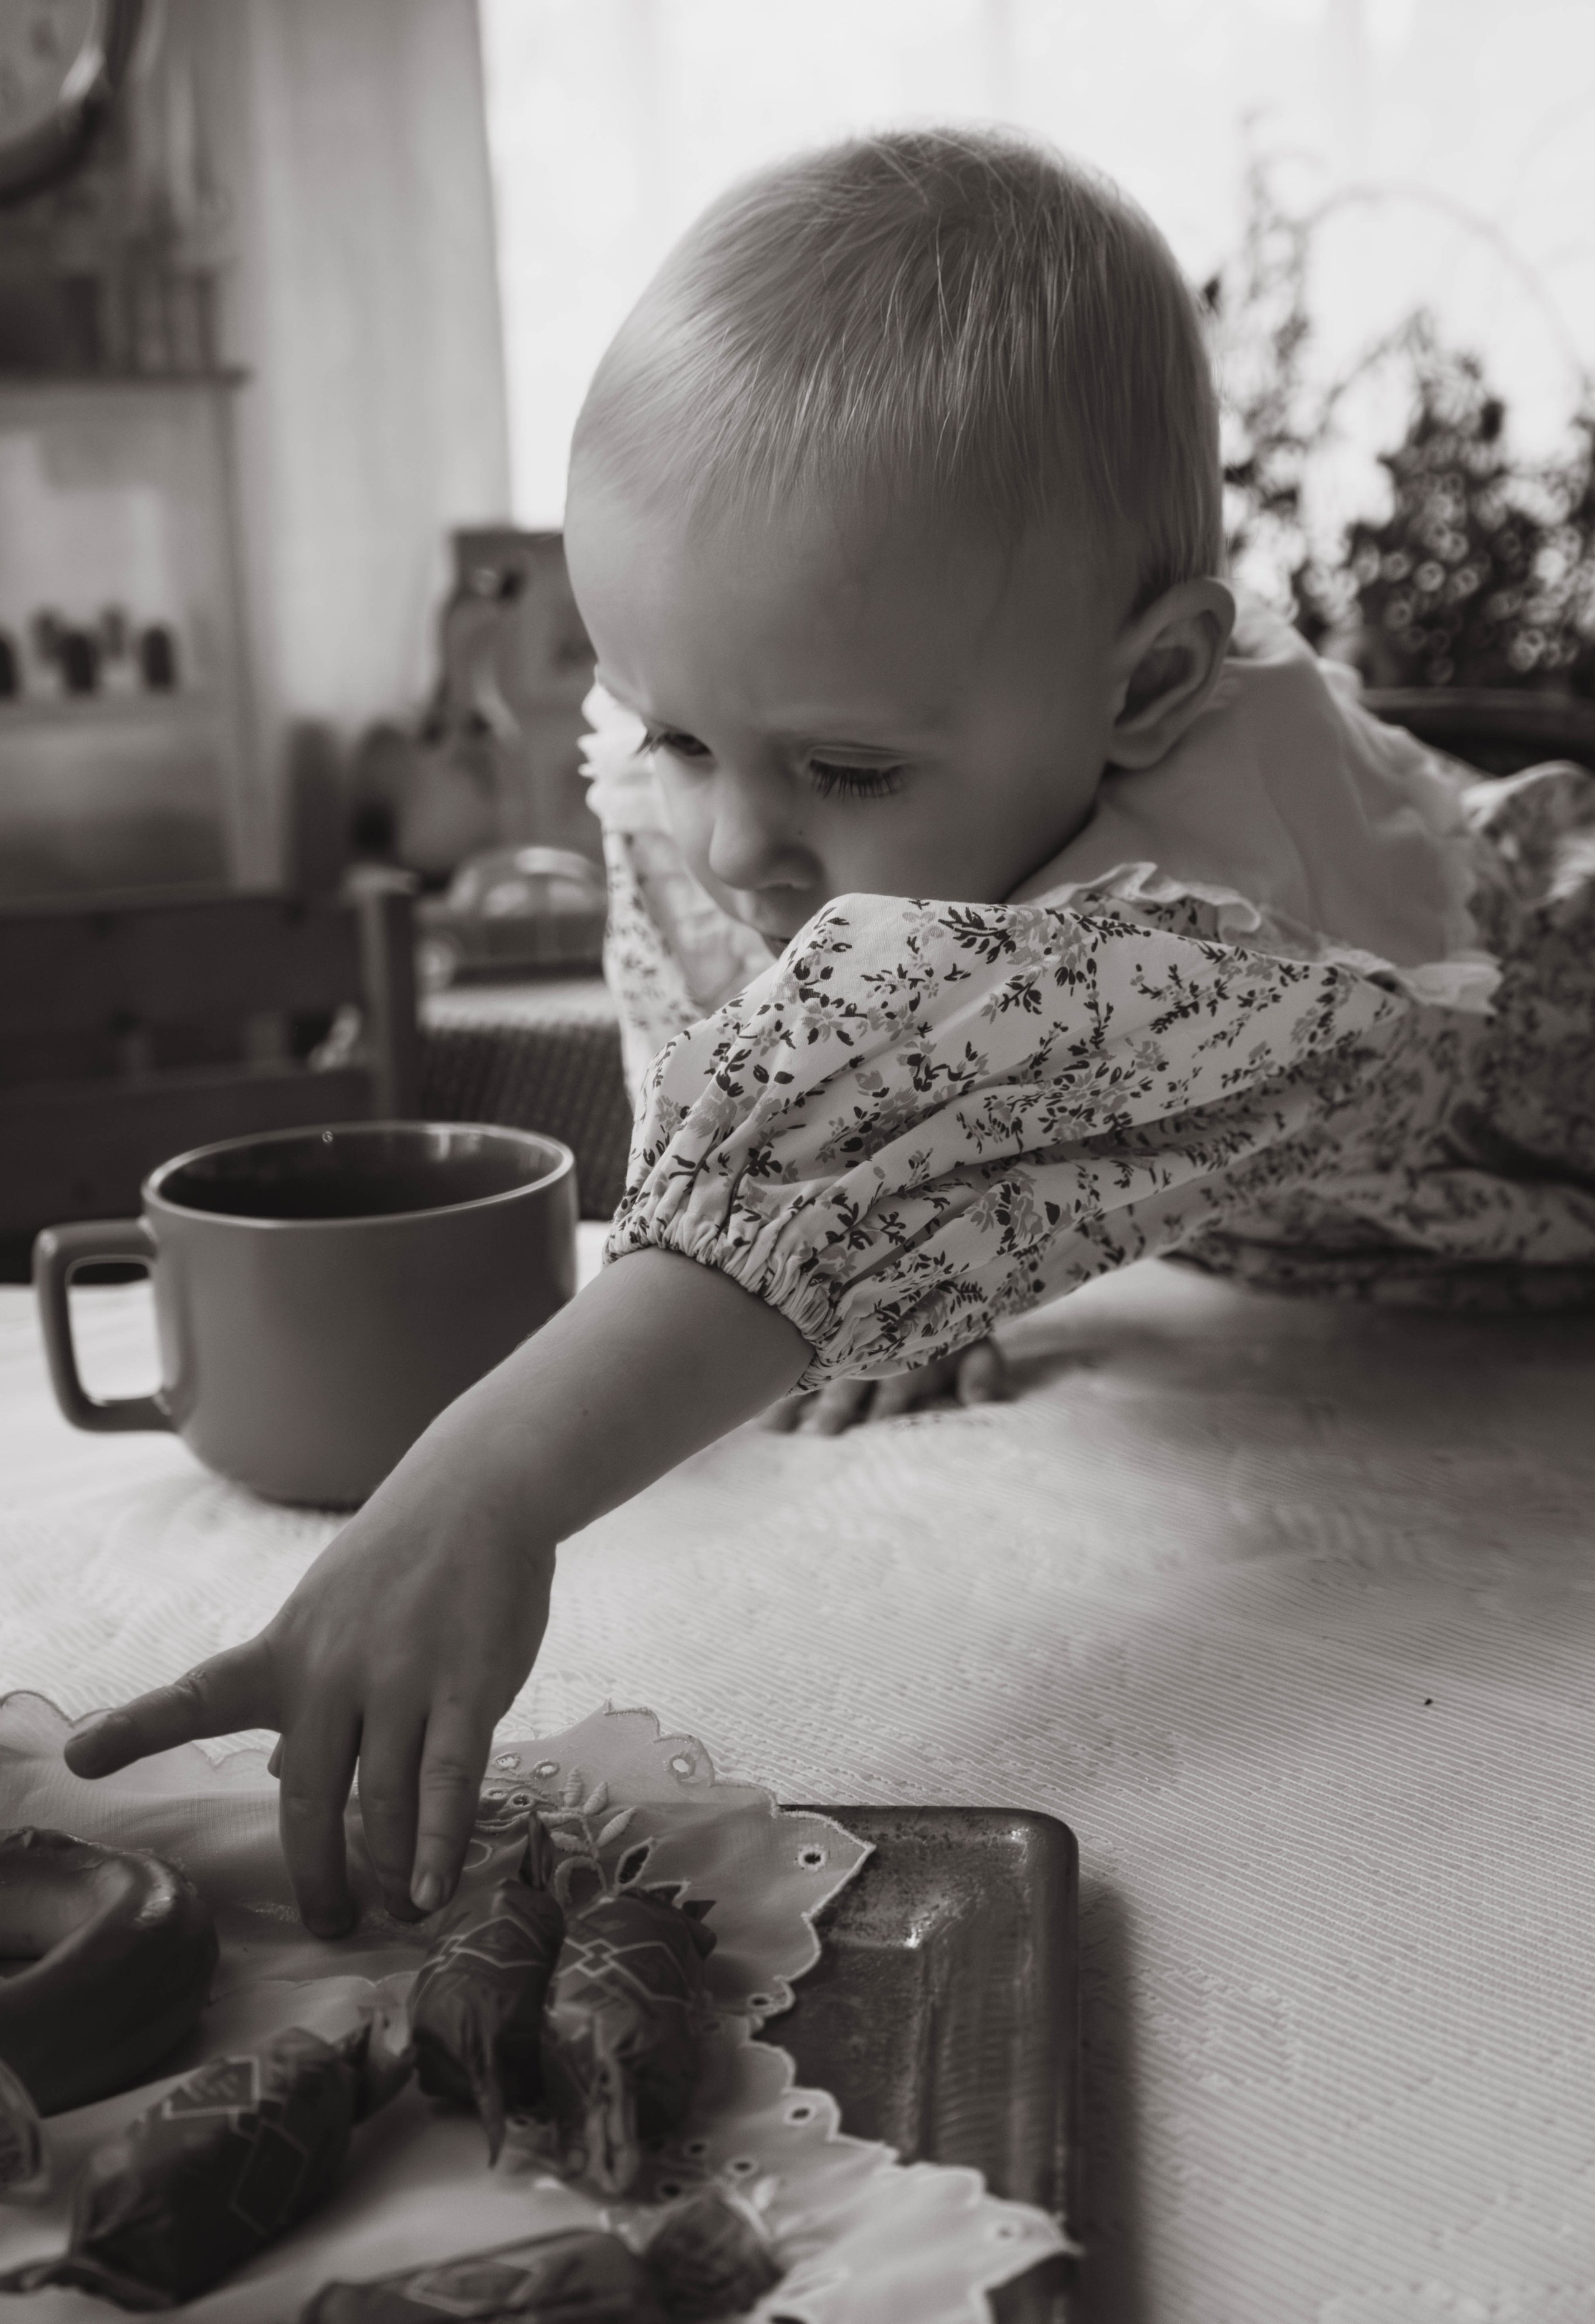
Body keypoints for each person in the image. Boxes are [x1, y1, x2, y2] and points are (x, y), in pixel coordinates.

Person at [65, 130, 1595, 1936]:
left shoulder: (1247, 896)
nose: (732, 840)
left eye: (844, 771)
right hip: (1331, 1243)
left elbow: (907, 1083)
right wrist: (893, 1270)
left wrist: (474, 1493)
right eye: (677, 736)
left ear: (1155, 686)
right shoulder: (826, 765)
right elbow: (787, 1088)